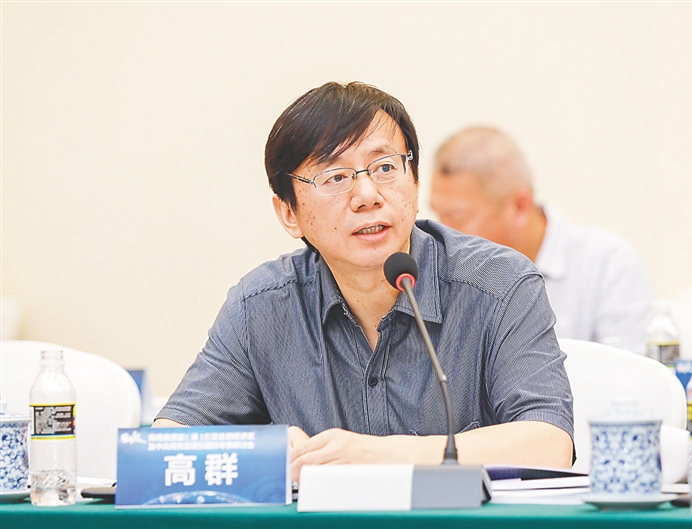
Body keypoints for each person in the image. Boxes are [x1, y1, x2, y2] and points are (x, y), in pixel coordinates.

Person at [154, 83, 574, 481]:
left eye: (385, 167)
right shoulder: (261, 307)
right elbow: (163, 448)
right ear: (289, 213)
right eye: (335, 177)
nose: (368, 195)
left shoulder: (499, 285)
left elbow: (549, 443)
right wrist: (266, 452)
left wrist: (378, 456)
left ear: (415, 182)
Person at [430, 127, 654, 354]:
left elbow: (628, 372)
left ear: (519, 206)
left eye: (455, 216)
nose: (442, 230)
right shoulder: (447, 272)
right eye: (437, 213)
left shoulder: (609, 266)